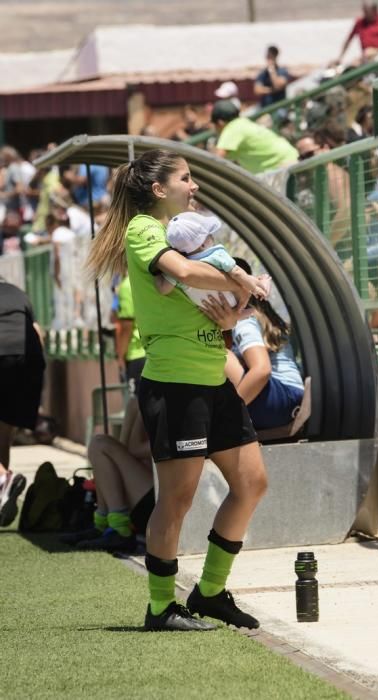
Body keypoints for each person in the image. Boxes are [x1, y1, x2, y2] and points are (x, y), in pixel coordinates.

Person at [86, 149, 268, 632]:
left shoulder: (186, 230)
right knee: (178, 501)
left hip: (213, 379)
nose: (196, 187)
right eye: (187, 179)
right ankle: (161, 606)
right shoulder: (143, 230)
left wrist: (234, 311)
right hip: (176, 383)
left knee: (252, 483)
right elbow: (184, 274)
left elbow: (207, 297)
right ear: (159, 189)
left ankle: (209, 592)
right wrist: (240, 276)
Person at [61, 397, 154, 552]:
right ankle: (103, 524)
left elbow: (135, 448)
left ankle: (120, 529)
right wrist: (137, 407)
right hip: (151, 495)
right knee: (100, 447)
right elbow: (124, 448)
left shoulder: (178, 407)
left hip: (163, 510)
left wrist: (143, 408)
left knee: (101, 445)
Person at [222, 259, 304, 430]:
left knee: (214, 353)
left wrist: (226, 417)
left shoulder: (245, 318)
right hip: (289, 399)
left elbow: (262, 370)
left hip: (280, 400)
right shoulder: (261, 312)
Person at [0, 278, 46, 526]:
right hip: (27, 361)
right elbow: (38, 333)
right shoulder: (17, 293)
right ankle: (2, 495)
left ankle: (3, 481)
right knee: (4, 430)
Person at [156, 210, 270, 307]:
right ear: (202, 244)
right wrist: (254, 288)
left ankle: (258, 284)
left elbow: (163, 289)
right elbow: (236, 273)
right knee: (247, 281)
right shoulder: (216, 254)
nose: (213, 237)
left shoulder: (180, 266)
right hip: (230, 300)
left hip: (206, 307)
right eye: (209, 235)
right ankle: (262, 284)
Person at [212, 99, 298, 174]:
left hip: (281, 165)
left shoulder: (232, 128)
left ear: (220, 122)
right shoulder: (242, 122)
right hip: (289, 159)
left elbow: (216, 159)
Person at [115, 273, 146, 395]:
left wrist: (120, 356)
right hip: (152, 351)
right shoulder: (147, 279)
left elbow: (126, 327)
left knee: (135, 402)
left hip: (136, 355)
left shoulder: (127, 285)